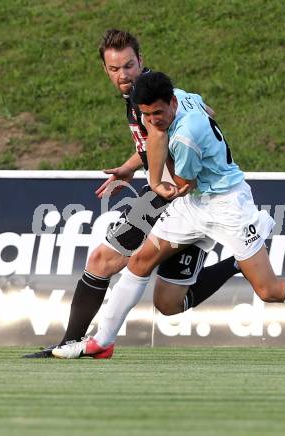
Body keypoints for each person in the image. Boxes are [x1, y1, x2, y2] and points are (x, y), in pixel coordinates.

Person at [53, 72, 285, 359]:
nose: (153, 120)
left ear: (171, 102)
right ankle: (102, 342)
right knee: (142, 266)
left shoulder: (185, 137)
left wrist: (156, 180)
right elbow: (208, 111)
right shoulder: (184, 97)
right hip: (195, 205)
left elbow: (180, 184)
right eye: (146, 115)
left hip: (227, 205)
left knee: (268, 290)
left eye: (159, 113)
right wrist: (155, 163)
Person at [23, 30, 240, 359]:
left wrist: (154, 182)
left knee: (102, 260)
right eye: (114, 69)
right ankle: (237, 263)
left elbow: (159, 136)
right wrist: (129, 166)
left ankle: (79, 343)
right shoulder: (153, 91)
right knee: (169, 303)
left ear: (140, 61)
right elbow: (186, 111)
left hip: (173, 193)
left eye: (128, 66)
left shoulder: (147, 98)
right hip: (178, 194)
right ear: (105, 70)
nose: (123, 75)